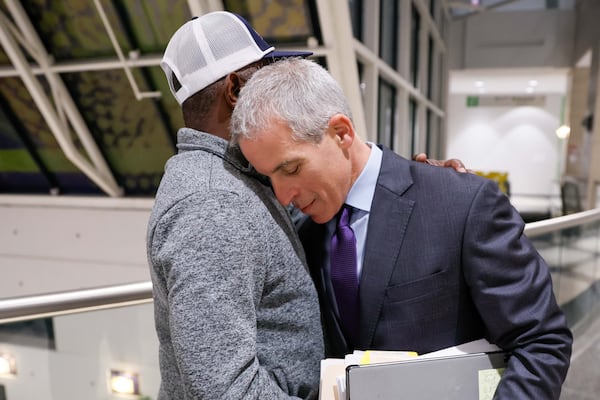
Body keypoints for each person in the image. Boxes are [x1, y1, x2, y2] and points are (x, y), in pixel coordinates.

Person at [229, 58, 573, 399]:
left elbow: (541, 342)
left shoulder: (461, 204)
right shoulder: (303, 235)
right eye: (268, 177)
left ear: (341, 133)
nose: (283, 195)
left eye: (290, 169)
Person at [146, 12, 324, 399]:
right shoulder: (213, 204)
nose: (280, 94)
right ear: (235, 90)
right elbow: (225, 390)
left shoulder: (239, 178)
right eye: (267, 78)